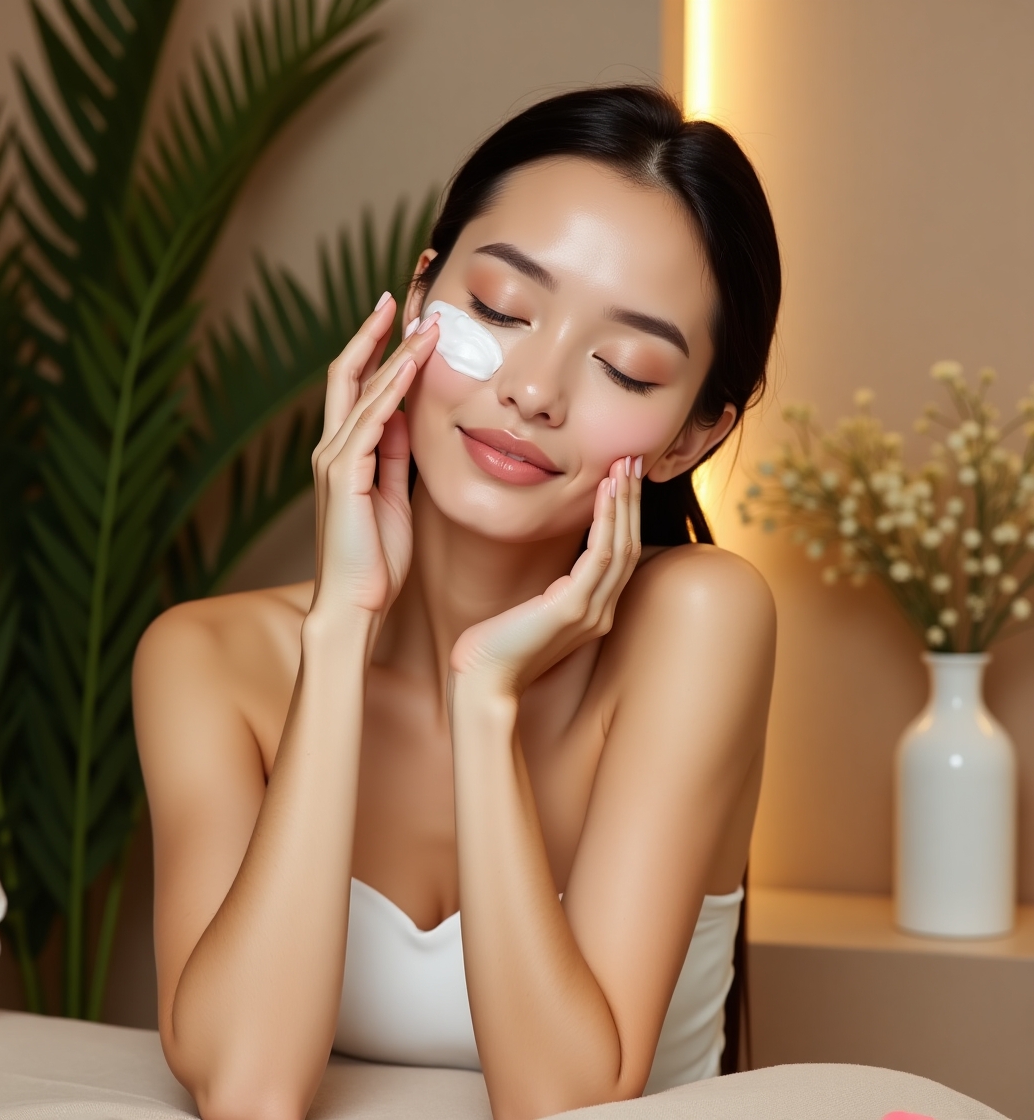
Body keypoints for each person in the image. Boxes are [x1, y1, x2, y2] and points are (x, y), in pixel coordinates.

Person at [133, 85, 781, 1120]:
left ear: (692, 437)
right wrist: (339, 631)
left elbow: (561, 1098)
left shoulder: (700, 621)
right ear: (420, 293)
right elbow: (248, 1089)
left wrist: (486, 697)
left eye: (625, 365)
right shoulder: (205, 661)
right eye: (498, 309)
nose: (532, 387)